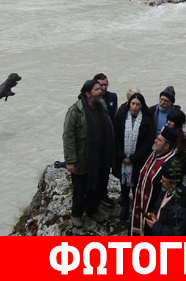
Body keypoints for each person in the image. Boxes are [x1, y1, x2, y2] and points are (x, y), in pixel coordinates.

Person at [62, 80, 115, 228]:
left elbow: (109, 130)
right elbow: (68, 136)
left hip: (99, 155)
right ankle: (77, 214)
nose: (100, 91)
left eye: (100, 88)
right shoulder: (75, 111)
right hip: (82, 157)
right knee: (79, 187)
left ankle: (92, 209)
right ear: (87, 93)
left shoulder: (101, 106)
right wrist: (70, 160)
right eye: (97, 89)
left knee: (95, 184)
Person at [114, 93, 156, 221]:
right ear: (129, 103)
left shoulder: (147, 121)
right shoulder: (121, 117)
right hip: (122, 159)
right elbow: (115, 138)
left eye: (138, 104)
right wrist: (121, 155)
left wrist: (133, 158)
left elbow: (148, 143)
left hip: (138, 160)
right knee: (124, 185)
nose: (135, 107)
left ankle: (136, 209)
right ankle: (125, 207)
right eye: (133, 103)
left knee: (136, 185)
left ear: (142, 106)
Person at [131, 126, 179, 236]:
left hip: (154, 209)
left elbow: (167, 191)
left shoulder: (171, 164)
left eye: (159, 140)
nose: (155, 140)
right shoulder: (154, 153)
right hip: (140, 203)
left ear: (167, 146)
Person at [145, 161, 186, 236]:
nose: (161, 181)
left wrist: (155, 226)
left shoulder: (183, 208)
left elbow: (175, 235)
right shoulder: (167, 190)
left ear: (174, 184)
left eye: (164, 181)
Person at [94, 73, 118, 207]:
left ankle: (103, 195)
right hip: (95, 140)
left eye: (105, 84)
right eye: (100, 85)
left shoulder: (112, 97)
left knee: (105, 171)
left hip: (108, 141)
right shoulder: (90, 99)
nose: (103, 88)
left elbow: (115, 118)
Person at [166, 109, 186, 187]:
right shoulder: (166, 128)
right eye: (168, 120)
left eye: (171, 121)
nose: (168, 122)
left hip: (181, 166)